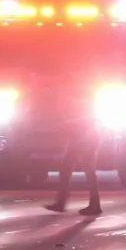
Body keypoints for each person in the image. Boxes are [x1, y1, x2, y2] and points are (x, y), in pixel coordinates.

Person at [45, 85, 102, 215]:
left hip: (84, 138)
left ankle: (63, 203)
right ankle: (93, 204)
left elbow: (84, 121)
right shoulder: (82, 100)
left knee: (68, 170)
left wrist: (67, 124)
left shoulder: (78, 102)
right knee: (86, 171)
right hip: (87, 137)